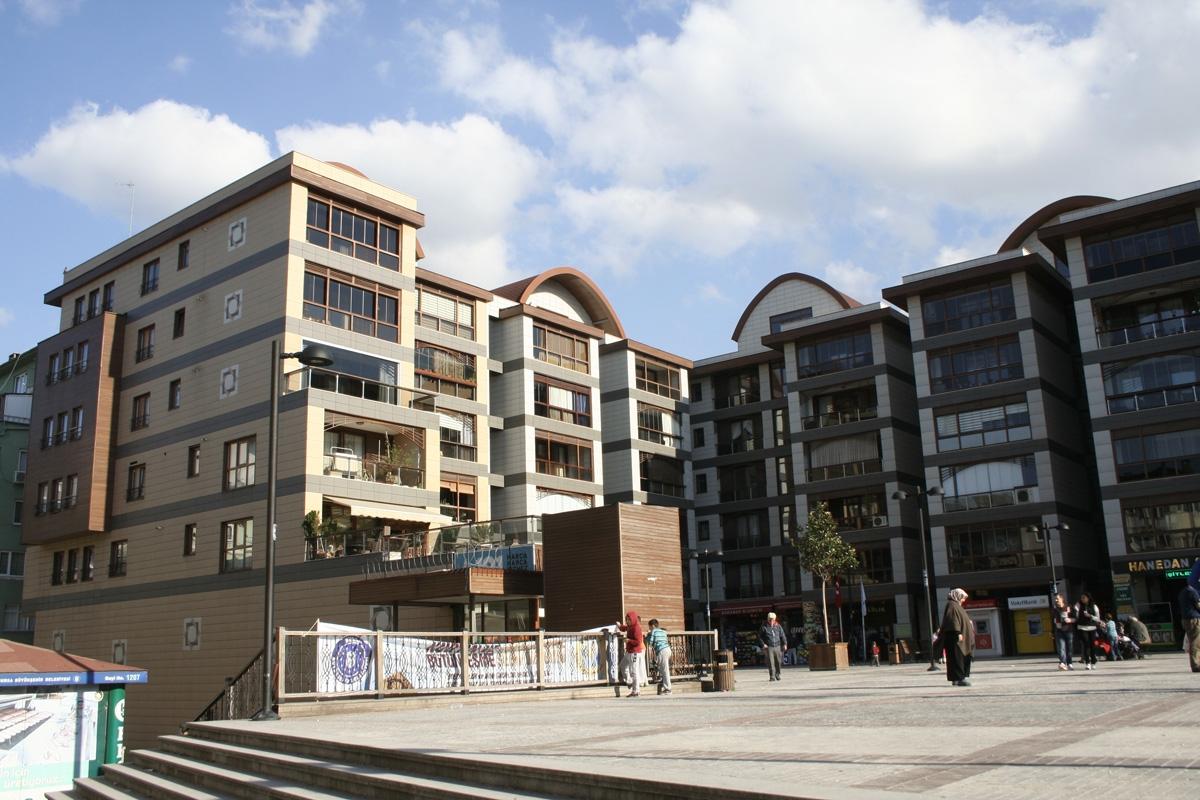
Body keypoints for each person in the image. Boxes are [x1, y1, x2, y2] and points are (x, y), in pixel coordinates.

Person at [939, 588, 973, 687]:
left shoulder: (956, 605)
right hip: (956, 638)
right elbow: (952, 619)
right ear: (957, 596)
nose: (964, 600)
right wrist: (958, 632)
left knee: (957, 658)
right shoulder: (952, 605)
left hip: (958, 638)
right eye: (963, 597)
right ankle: (960, 678)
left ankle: (956, 678)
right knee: (958, 659)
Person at [616, 611, 645, 696]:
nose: (627, 621)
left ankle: (636, 691)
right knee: (622, 665)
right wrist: (619, 625)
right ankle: (629, 681)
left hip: (635, 652)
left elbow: (638, 642)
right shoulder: (630, 626)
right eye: (626, 619)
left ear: (633, 619)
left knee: (634, 671)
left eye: (629, 620)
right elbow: (624, 628)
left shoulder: (636, 628)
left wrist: (629, 641)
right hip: (629, 651)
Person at [1181, 561, 1200, 673]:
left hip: (1186, 619)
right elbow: (1198, 605)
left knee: (1194, 641)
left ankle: (1196, 663)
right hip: (1194, 619)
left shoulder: (1183, 592)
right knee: (1195, 642)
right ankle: (1196, 664)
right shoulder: (1193, 592)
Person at [645, 619, 672, 695]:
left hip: (661, 650)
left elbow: (651, 643)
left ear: (653, 626)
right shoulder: (663, 631)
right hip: (668, 649)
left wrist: (648, 635)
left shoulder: (654, 631)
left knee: (665, 670)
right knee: (663, 669)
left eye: (650, 627)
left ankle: (668, 689)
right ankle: (665, 686)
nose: (649, 628)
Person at [1074, 592, 1101, 670]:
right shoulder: (1078, 605)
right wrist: (1076, 611)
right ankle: (1088, 663)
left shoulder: (1094, 606)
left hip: (1092, 627)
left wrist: (1090, 616)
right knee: (1086, 644)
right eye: (1081, 598)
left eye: (1084, 598)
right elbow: (1075, 613)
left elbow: (1098, 618)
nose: (1082, 599)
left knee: (1092, 645)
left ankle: (1093, 662)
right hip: (1082, 627)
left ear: (1088, 598)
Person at [759, 612, 788, 681]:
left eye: (772, 619)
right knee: (771, 662)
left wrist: (785, 644)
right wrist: (763, 644)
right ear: (768, 619)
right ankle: (772, 676)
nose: (771, 621)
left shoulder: (778, 626)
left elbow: (782, 635)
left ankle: (777, 674)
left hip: (778, 646)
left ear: (775, 619)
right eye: (770, 619)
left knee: (778, 662)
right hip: (769, 647)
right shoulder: (764, 627)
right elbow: (759, 637)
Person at [1052, 594, 1075, 671]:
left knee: (1069, 648)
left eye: (1057, 599)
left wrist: (1070, 620)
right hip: (1059, 631)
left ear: (1062, 599)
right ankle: (1063, 663)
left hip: (1069, 630)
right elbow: (1053, 620)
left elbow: (1075, 618)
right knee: (1061, 648)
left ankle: (1070, 663)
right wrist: (1052, 631)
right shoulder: (1055, 609)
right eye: (1055, 599)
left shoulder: (1068, 607)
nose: (1056, 600)